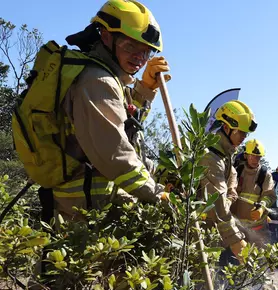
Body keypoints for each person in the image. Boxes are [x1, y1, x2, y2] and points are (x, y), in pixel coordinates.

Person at [41, 0, 171, 221]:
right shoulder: (95, 80)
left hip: (95, 202)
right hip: (85, 211)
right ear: (106, 36)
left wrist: (146, 89)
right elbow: (116, 154)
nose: (139, 58)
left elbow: (126, 122)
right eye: (130, 46)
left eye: (146, 51)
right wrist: (158, 195)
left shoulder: (107, 77)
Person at [199, 100, 257, 264]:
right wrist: (236, 239)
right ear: (226, 128)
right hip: (198, 230)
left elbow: (229, 187)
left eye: (246, 134)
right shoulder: (210, 157)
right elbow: (217, 203)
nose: (244, 138)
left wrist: (230, 196)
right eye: (241, 132)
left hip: (211, 230)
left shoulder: (224, 157)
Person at [230, 139, 276, 246]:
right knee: (238, 258)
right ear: (246, 155)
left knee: (260, 257)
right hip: (237, 225)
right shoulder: (237, 171)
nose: (256, 159)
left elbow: (270, 196)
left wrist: (262, 208)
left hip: (257, 226)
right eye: (253, 156)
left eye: (258, 157)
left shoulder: (265, 175)